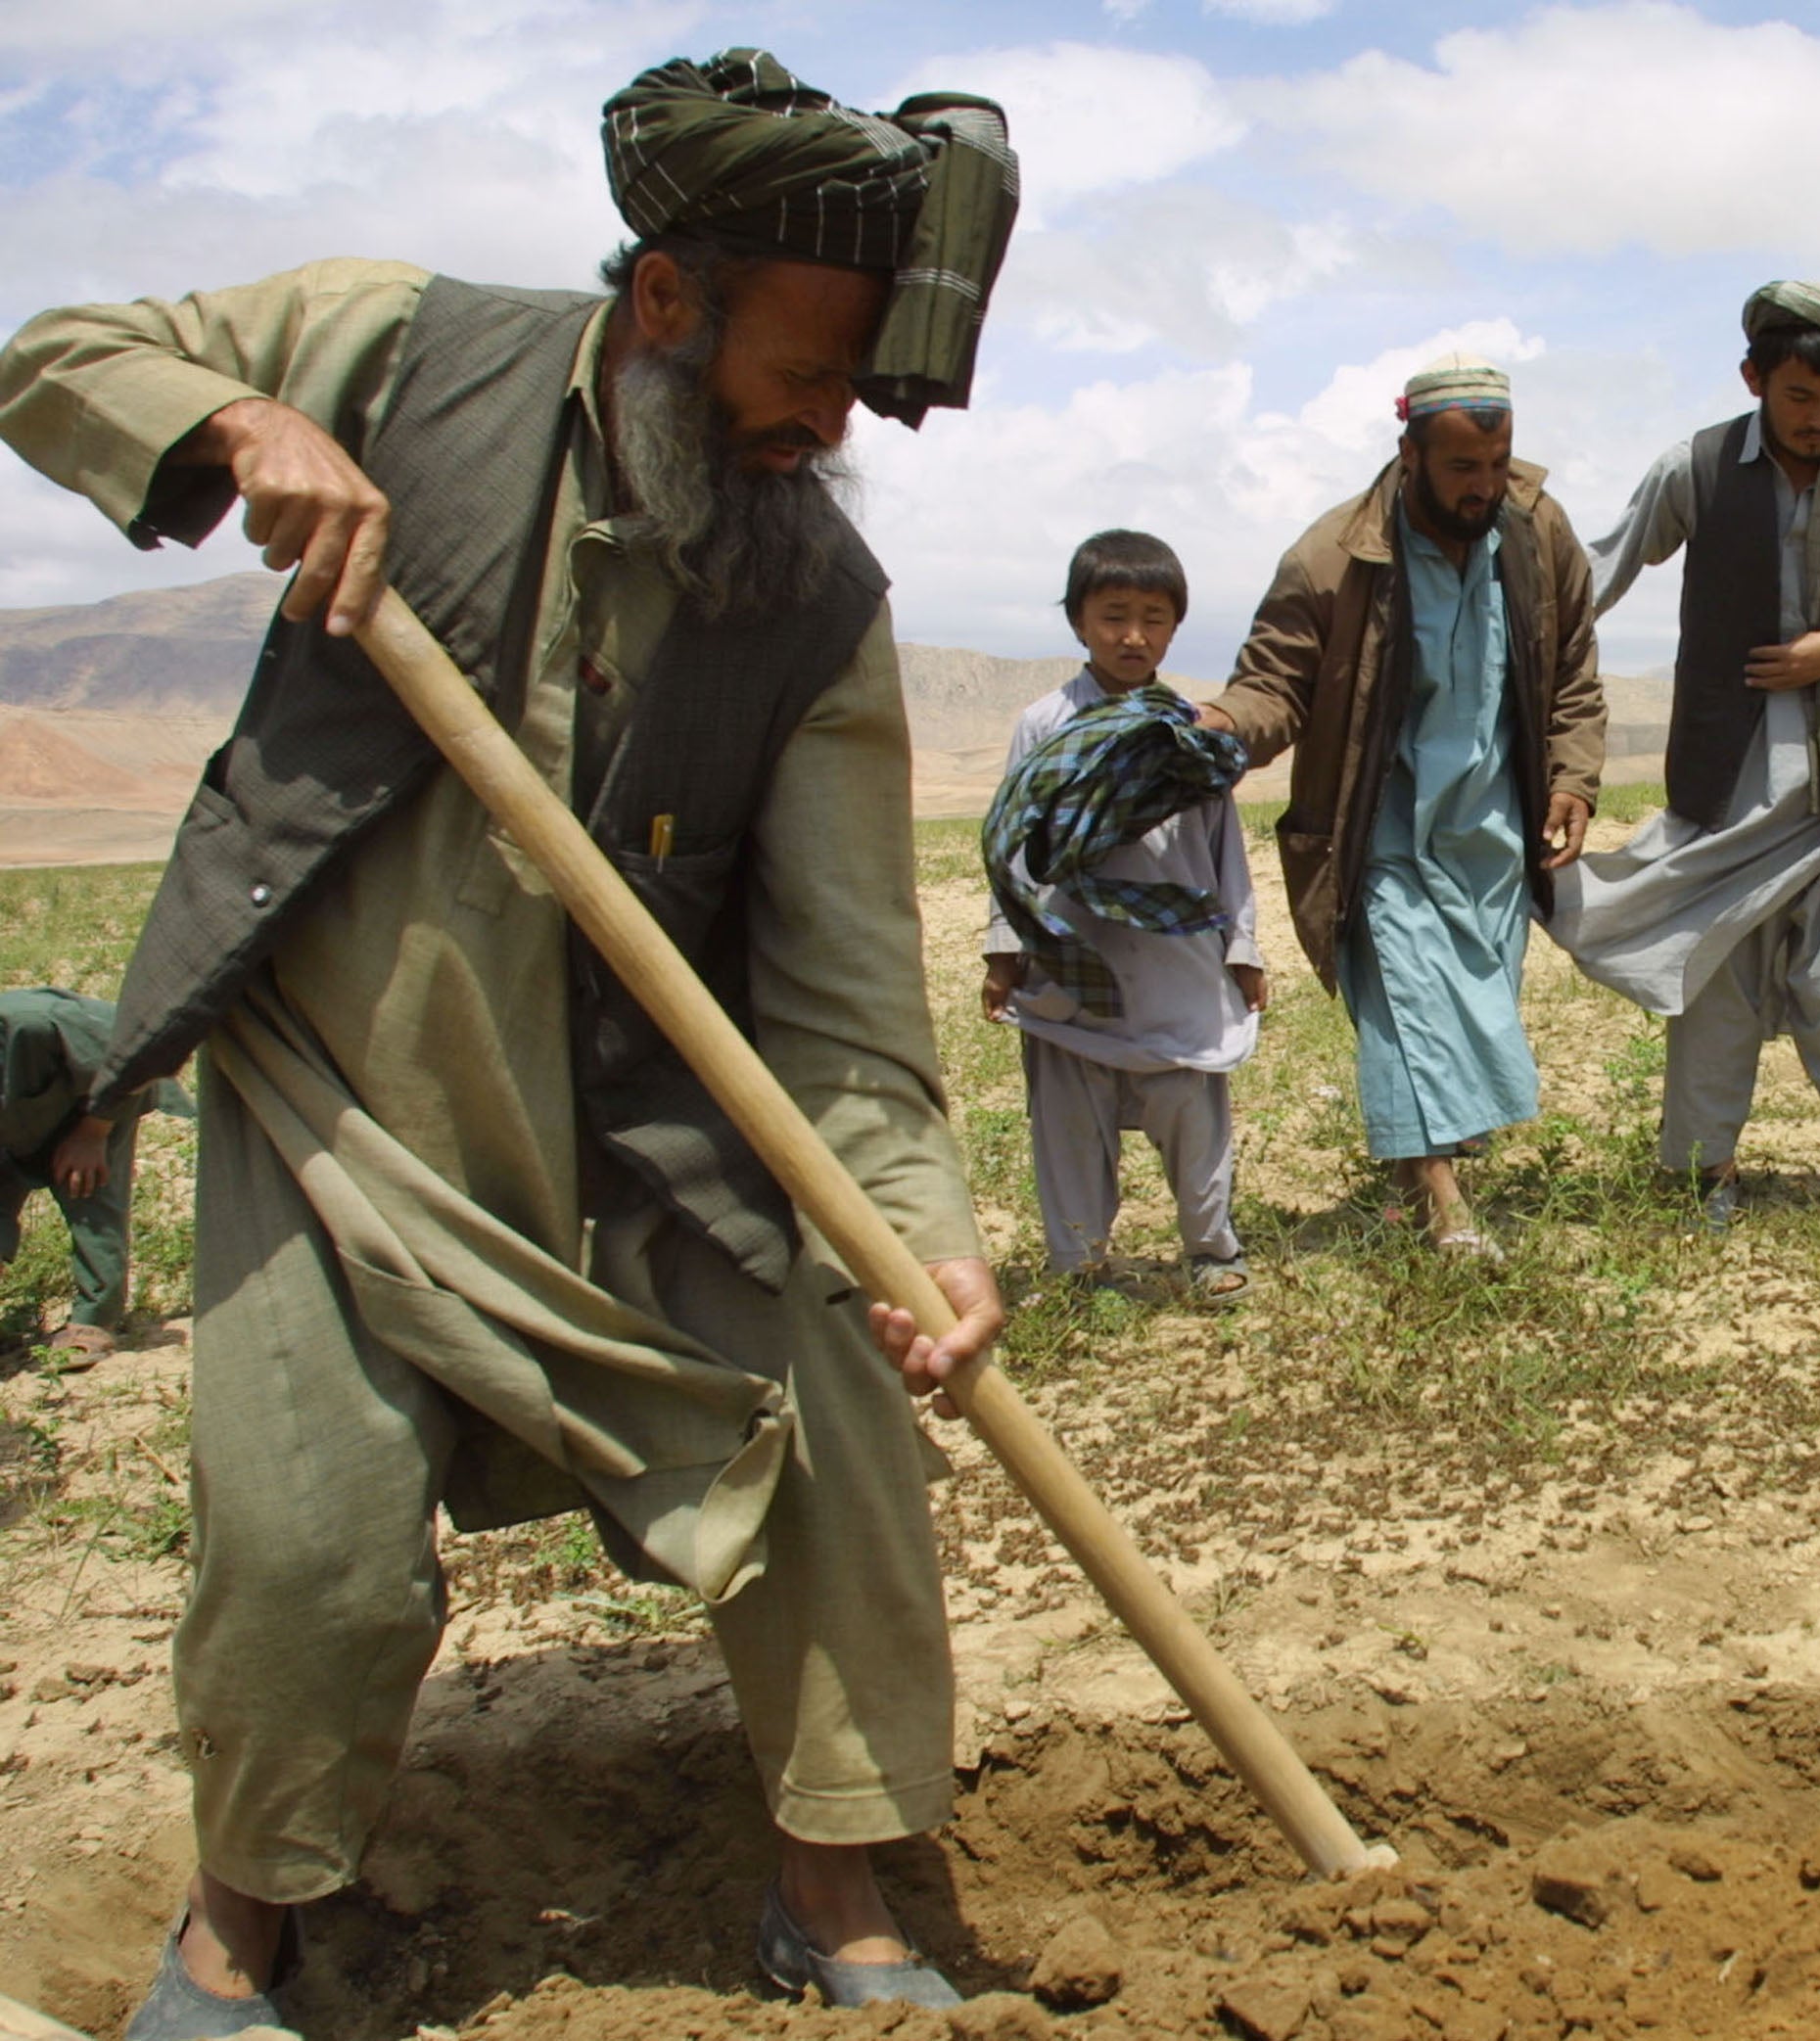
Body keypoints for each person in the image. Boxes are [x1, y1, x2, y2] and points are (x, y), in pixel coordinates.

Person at [0, 48, 1021, 2032]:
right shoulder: (394, 345)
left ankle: (837, 1894)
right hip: (343, 1112)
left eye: (854, 393)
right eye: (802, 375)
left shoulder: (817, 593)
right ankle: (236, 1936)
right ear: (664, 302)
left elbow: (842, 995)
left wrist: (919, 1232)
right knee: (308, 1553)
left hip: (631, 1135)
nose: (829, 427)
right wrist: (234, 419)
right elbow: (52, 347)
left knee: (842, 1422)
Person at [1555, 282, 1820, 1229]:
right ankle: (1704, 1173)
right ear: (1753, 379)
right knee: (1718, 970)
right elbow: (1593, 575)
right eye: (1798, 399)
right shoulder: (1696, 466)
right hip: (1731, 769)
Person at [1203, 354, 1605, 1255]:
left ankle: (1417, 1161)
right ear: (1411, 452)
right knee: (1406, 999)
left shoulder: (1537, 532)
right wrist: (1225, 724)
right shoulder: (1334, 554)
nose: (1485, 487)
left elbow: (1574, 660)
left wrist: (1575, 775)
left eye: (1498, 466)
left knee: (1472, 1001)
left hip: (1494, 823)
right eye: (1463, 468)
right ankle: (1441, 1208)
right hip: (1380, 824)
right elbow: (1274, 680)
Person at [984, 530, 1265, 1298]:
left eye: (1153, 616)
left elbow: (1221, 846)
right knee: (1070, 1119)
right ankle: (1080, 1265)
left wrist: (1243, 947)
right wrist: (1004, 949)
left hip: (1177, 960)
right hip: (1069, 959)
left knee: (1191, 1106)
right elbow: (1008, 845)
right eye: (1113, 615)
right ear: (1078, 621)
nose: (1133, 635)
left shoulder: (1187, 730)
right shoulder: (1044, 725)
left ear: (1176, 625)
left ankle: (1212, 1252)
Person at [2, 986, 192, 1365]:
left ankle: (94, 1319)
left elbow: (134, 1053)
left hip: (98, 1094)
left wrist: (93, 1133)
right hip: (20, 1113)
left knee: (88, 1190)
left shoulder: (29, 1025)